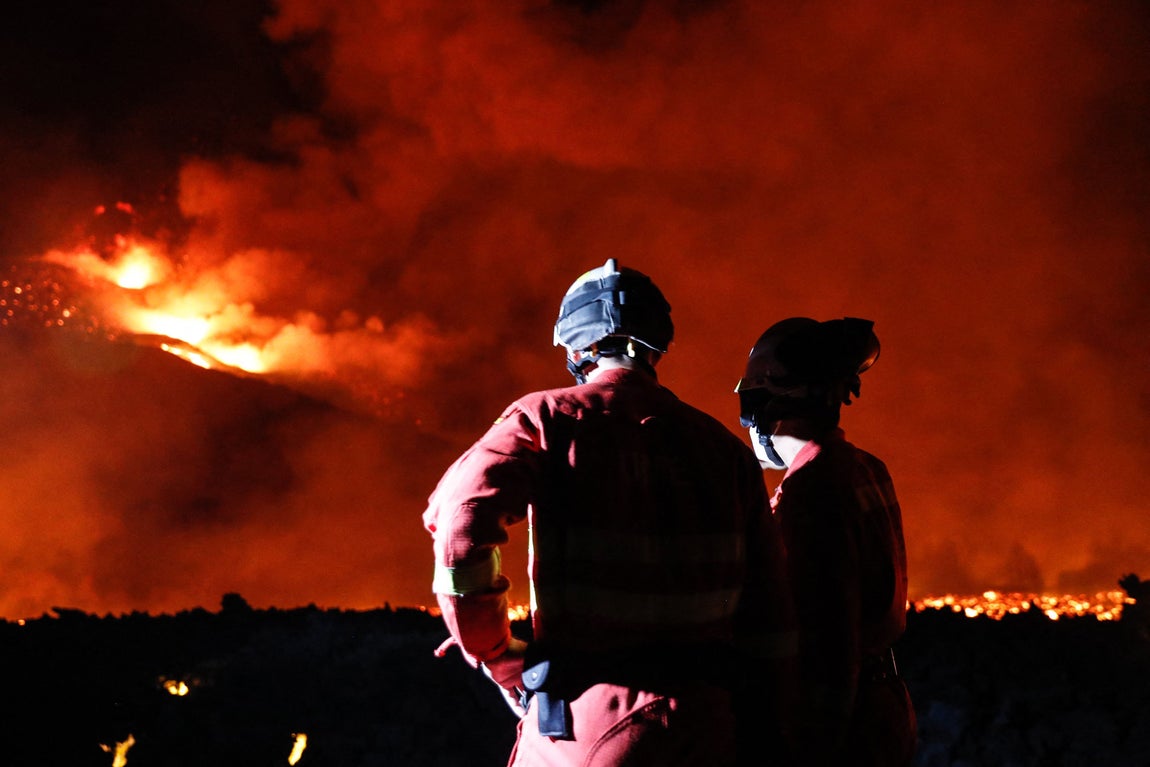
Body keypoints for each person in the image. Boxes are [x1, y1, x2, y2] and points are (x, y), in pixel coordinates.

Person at [424, 258, 794, 766]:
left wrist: (496, 651)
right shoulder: (725, 451)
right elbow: (771, 614)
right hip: (707, 727)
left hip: (583, 723)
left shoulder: (544, 419)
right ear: (659, 344)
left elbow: (462, 525)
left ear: (575, 347)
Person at [734, 317, 916, 767]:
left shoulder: (810, 490)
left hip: (840, 727)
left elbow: (826, 635)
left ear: (771, 402)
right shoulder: (866, 468)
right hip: (882, 710)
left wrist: (806, 744)